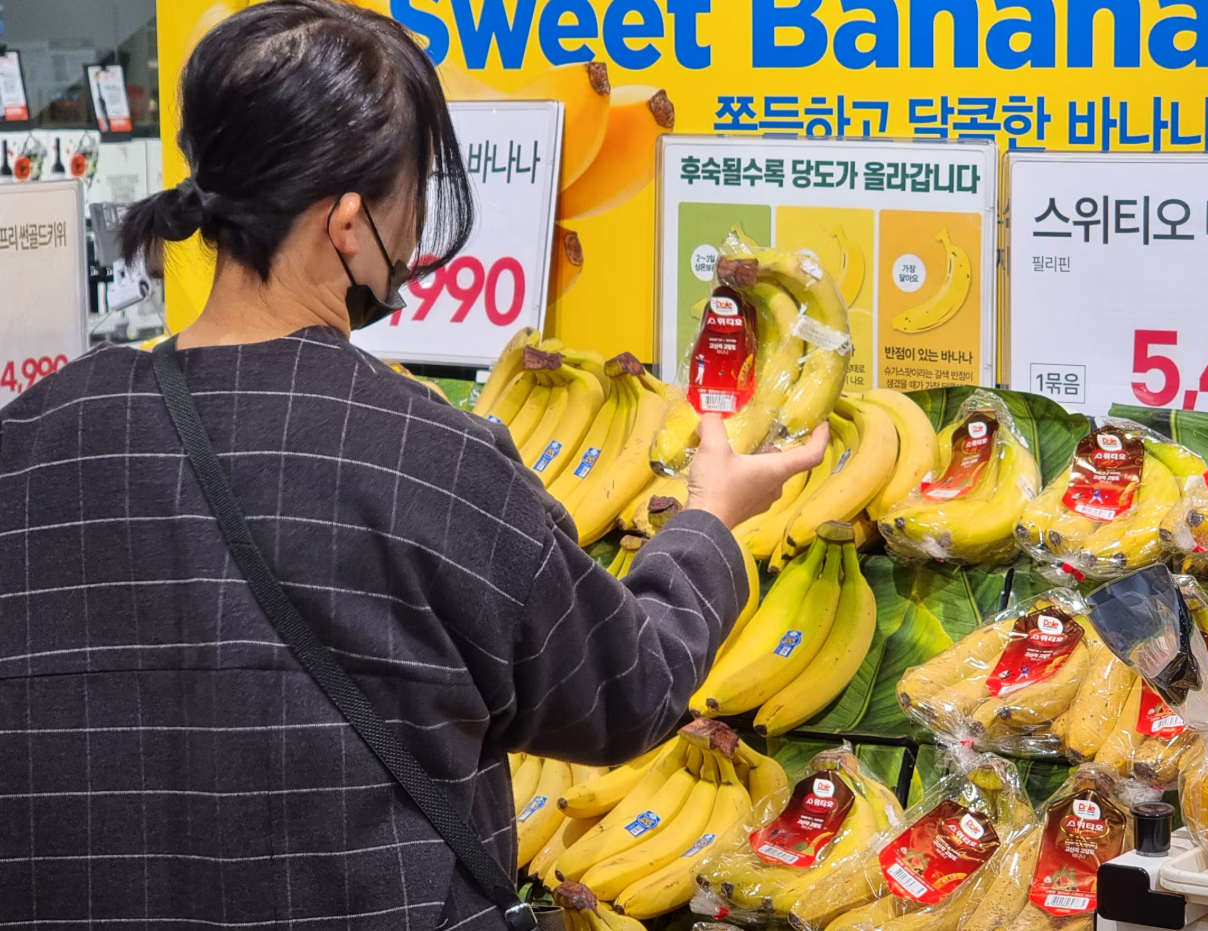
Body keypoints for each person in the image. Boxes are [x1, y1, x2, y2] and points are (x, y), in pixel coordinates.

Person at [0, 1, 828, 927]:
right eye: (411, 194)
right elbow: (626, 691)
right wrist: (708, 524)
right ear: (349, 223)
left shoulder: (31, 436)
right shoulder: (430, 459)